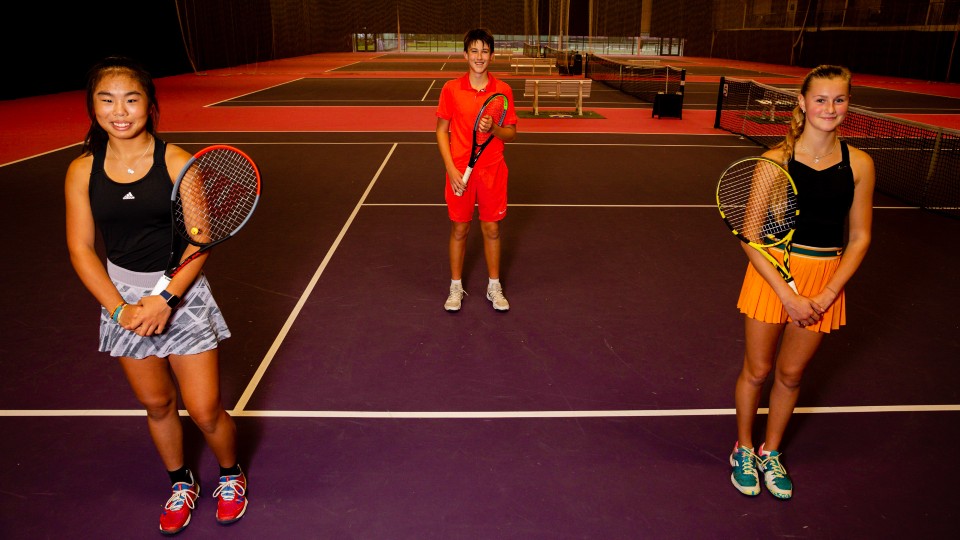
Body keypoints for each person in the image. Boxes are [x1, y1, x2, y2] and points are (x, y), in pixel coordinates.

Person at [64, 56, 248, 534]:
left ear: (150, 105)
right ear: (92, 106)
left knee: (206, 409)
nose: (119, 110)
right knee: (158, 405)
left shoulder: (176, 162)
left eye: (131, 99)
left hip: (179, 294)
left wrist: (164, 299)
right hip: (120, 298)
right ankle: (181, 482)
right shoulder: (82, 171)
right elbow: (82, 249)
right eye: (106, 100)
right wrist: (120, 307)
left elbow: (199, 240)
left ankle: (230, 475)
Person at [728, 65, 875, 500]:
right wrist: (786, 294)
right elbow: (750, 238)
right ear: (802, 103)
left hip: (825, 280)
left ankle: (771, 452)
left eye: (840, 99)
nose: (830, 108)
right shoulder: (774, 161)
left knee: (791, 375)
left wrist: (829, 292)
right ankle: (744, 449)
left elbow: (861, 237)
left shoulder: (860, 164)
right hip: (772, 277)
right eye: (821, 99)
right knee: (758, 370)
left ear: (849, 103)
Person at [436, 28, 518, 312]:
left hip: (493, 172)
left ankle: (494, 286)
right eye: (474, 50)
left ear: (492, 56)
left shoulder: (503, 90)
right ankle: (455, 286)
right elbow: (441, 131)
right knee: (459, 228)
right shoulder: (451, 89)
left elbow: (511, 133)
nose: (479, 56)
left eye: (485, 51)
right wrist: (451, 169)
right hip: (460, 172)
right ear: (465, 55)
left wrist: (494, 128)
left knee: (492, 228)